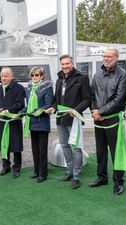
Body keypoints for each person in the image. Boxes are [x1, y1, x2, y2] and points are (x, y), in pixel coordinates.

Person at [89, 48, 126, 195]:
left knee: (115, 151)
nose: (106, 59)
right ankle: (102, 177)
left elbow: (120, 99)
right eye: (104, 56)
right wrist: (95, 111)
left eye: (109, 56)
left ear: (117, 58)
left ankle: (118, 181)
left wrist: (101, 111)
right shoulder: (97, 74)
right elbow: (92, 95)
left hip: (113, 118)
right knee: (100, 150)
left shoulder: (124, 75)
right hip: (98, 118)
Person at [46, 55, 91, 189]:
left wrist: (76, 110)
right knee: (65, 145)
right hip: (61, 118)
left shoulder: (82, 78)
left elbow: (87, 99)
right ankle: (69, 171)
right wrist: (53, 107)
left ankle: (76, 176)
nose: (65, 66)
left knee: (76, 147)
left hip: (74, 118)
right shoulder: (59, 79)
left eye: (67, 64)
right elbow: (56, 99)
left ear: (73, 64)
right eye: (63, 64)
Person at [0, 67, 25, 178]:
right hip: (2, 122)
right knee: (3, 144)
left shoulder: (19, 88)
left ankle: (16, 168)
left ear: (11, 76)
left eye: (6, 76)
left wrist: (8, 111)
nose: (3, 78)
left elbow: (20, 104)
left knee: (16, 145)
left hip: (13, 121)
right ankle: (6, 166)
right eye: (2, 76)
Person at [23, 67, 53, 183]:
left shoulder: (47, 88)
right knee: (34, 149)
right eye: (32, 75)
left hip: (42, 122)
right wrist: (22, 110)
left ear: (42, 76)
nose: (34, 77)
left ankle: (43, 174)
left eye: (37, 75)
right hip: (32, 122)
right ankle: (36, 171)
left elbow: (48, 104)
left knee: (42, 150)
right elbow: (28, 105)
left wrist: (36, 110)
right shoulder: (29, 89)